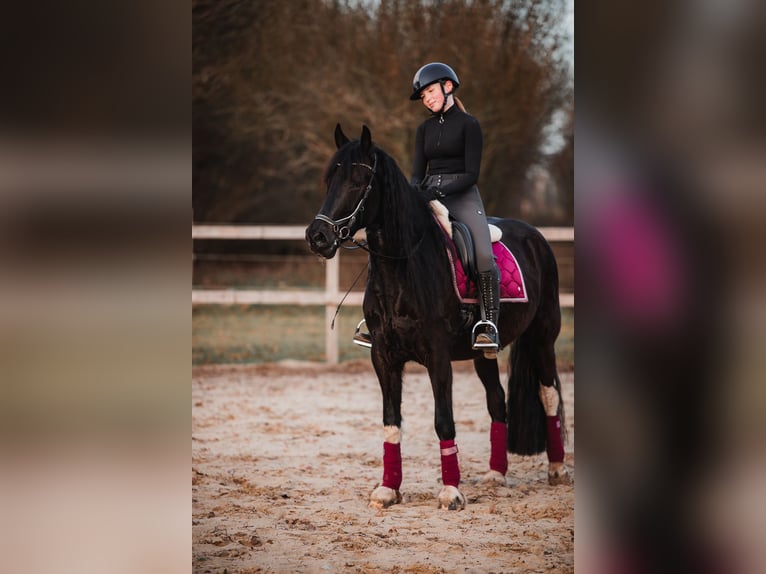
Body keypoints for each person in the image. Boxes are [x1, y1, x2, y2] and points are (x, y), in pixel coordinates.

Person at [353, 62, 500, 355]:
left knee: (483, 252)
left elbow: (472, 174)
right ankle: (377, 318)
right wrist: (414, 193)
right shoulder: (424, 129)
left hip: (463, 195)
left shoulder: (469, 125)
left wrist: (440, 189)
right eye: (423, 96)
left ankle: (487, 323)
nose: (427, 99)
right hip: (428, 193)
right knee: (390, 238)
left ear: (447, 86)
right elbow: (418, 173)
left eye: (430, 91)